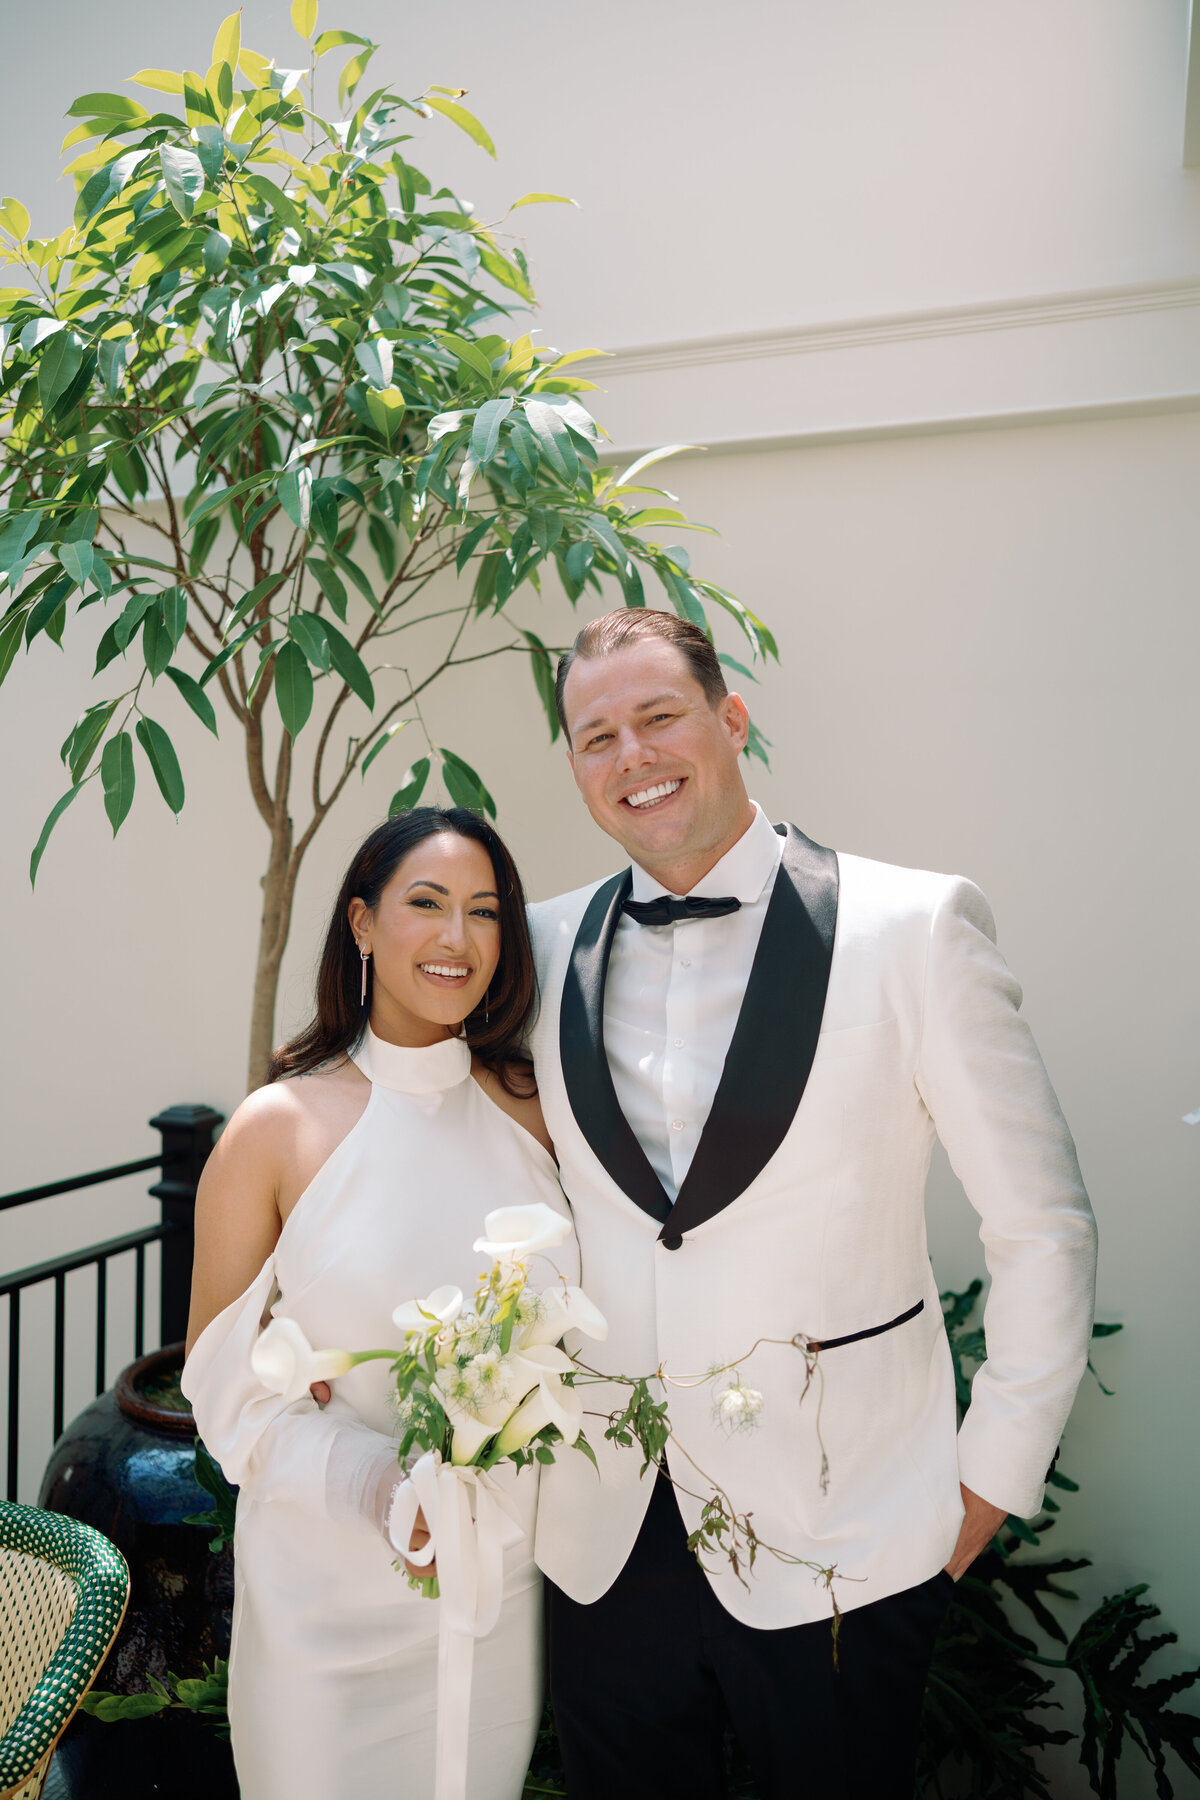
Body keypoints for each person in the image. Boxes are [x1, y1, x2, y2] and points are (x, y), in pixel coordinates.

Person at [525, 608, 1098, 1800]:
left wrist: (989, 1482)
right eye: (596, 737)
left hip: (847, 1530)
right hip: (603, 1538)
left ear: (731, 719)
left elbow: (1042, 1227)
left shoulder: (914, 928)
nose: (632, 755)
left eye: (659, 716)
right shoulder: (534, 947)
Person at [181, 808, 571, 1800]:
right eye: (426, 904)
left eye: (485, 911)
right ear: (361, 923)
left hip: (494, 1592)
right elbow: (221, 1388)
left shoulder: (538, 1110)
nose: (457, 938)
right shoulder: (277, 1127)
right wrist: (378, 1486)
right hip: (324, 1609)